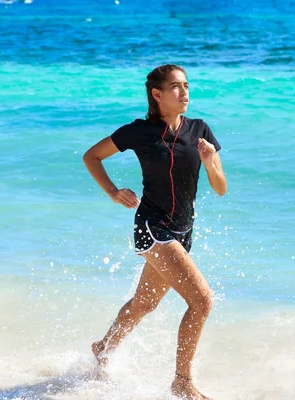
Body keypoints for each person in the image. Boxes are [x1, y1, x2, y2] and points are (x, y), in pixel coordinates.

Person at [82, 64, 227, 400]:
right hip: (153, 227)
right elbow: (92, 156)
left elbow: (220, 188)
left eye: (187, 85)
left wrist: (209, 161)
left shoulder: (200, 130)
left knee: (144, 303)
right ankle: (182, 382)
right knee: (202, 301)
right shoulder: (140, 132)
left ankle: (103, 347)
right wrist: (113, 191)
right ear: (157, 94)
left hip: (183, 231)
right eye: (176, 87)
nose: (185, 92)